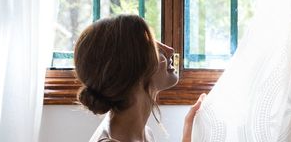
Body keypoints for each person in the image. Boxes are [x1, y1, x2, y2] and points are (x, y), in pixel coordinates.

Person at [74, 14, 204, 142]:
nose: (170, 50)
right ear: (129, 67)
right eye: (153, 47)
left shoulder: (145, 134)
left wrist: (188, 133)